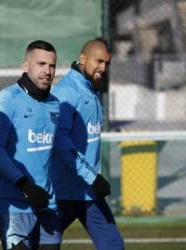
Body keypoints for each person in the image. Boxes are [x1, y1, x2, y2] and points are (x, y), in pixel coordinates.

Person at [0, 40, 61, 250]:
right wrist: (25, 186)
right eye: (41, 64)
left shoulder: (55, 104)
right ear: (26, 66)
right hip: (13, 205)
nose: (48, 70)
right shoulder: (8, 98)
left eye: (52, 65)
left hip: (48, 204)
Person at [51, 38, 124, 249]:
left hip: (89, 193)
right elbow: (60, 140)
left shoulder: (93, 89)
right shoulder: (66, 92)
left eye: (107, 63)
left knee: (113, 245)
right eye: (98, 61)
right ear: (82, 59)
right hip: (61, 192)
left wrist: (91, 181)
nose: (103, 67)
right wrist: (92, 177)